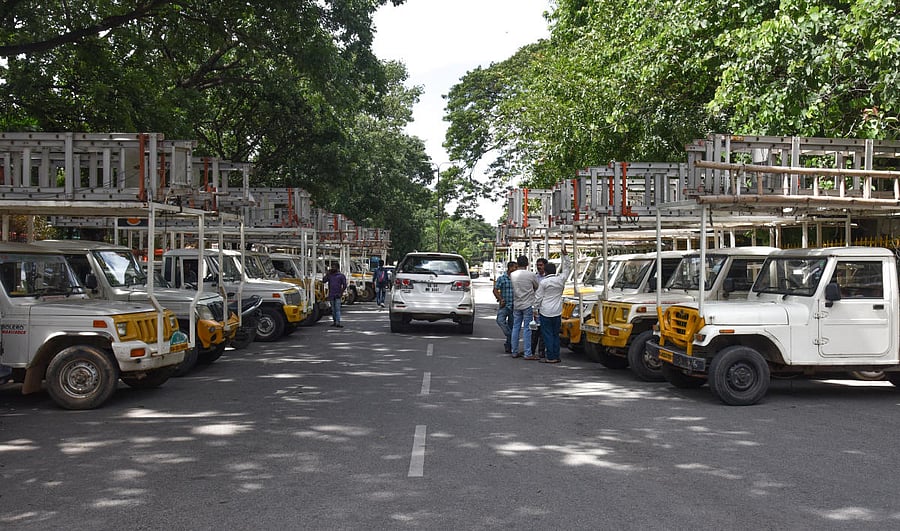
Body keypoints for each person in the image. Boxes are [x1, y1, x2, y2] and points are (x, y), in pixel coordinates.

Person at [533, 247, 571, 364]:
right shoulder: (561, 280)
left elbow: (538, 298)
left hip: (545, 311)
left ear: (545, 271)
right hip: (557, 311)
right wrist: (565, 256)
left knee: (547, 335)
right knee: (555, 335)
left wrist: (535, 309)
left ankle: (550, 357)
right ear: (555, 271)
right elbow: (567, 269)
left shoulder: (544, 282)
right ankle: (556, 355)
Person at [510, 255, 539, 359]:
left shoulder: (512, 275)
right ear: (527, 264)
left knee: (516, 327)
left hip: (517, 303)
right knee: (527, 329)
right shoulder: (531, 275)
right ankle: (527, 353)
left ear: (517, 264)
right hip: (528, 304)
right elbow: (537, 286)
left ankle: (514, 351)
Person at [493, 261, 517, 353]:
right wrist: (500, 299)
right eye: (515, 267)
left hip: (515, 306)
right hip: (504, 305)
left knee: (512, 325)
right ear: (510, 268)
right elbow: (495, 290)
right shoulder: (502, 278)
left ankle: (509, 345)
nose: (516, 269)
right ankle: (510, 336)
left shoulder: (517, 279)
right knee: (500, 320)